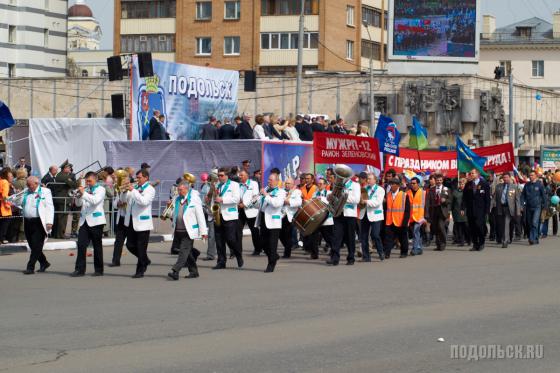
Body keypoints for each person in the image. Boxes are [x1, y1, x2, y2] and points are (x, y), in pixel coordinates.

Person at [13, 177, 54, 274]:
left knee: (37, 245)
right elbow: (17, 203)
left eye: (29, 184)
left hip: (39, 222)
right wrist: (18, 195)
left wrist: (49, 222)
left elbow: (49, 207)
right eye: (27, 184)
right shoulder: (26, 191)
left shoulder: (45, 191)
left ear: (36, 183)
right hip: (28, 221)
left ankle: (30, 267)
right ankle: (44, 262)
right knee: (32, 245)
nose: (28, 186)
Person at [167, 182, 208, 280]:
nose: (179, 191)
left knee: (183, 251)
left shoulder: (194, 200)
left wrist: (203, 232)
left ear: (186, 189)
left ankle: (175, 271)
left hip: (189, 231)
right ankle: (194, 271)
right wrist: (168, 207)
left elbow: (200, 216)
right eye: (178, 190)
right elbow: (171, 214)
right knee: (187, 252)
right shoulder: (176, 199)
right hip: (178, 230)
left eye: (181, 190)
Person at [70, 172, 106, 277]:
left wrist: (83, 194)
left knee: (97, 246)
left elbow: (95, 201)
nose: (87, 183)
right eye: (86, 181)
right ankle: (79, 270)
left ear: (96, 180)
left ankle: (99, 270)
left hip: (96, 221)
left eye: (89, 181)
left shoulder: (101, 189)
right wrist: (78, 196)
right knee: (81, 244)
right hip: (84, 221)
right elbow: (78, 204)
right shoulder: (85, 190)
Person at [121, 169, 156, 278]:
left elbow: (143, 202)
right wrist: (124, 191)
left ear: (146, 178)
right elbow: (124, 201)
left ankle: (140, 271)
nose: (137, 180)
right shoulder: (135, 188)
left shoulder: (150, 189)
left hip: (143, 222)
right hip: (131, 220)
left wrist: (133, 190)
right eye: (136, 177)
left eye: (139, 177)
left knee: (141, 247)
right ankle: (145, 259)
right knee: (130, 245)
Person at [327, 169, 361, 266]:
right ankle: (334, 258)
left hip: (350, 214)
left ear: (348, 176)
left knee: (350, 237)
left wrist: (342, 197)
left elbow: (356, 200)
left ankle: (351, 258)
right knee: (336, 236)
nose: (340, 177)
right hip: (338, 213)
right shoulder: (337, 185)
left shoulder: (355, 185)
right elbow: (334, 198)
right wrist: (331, 197)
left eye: (343, 175)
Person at [212, 167, 243, 270]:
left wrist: (222, 199)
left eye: (221, 175)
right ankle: (221, 261)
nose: (219, 177)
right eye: (218, 176)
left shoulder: (234, 185)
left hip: (230, 216)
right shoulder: (217, 185)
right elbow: (214, 199)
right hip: (218, 214)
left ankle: (238, 254)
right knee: (219, 240)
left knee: (230, 239)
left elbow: (236, 199)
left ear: (227, 176)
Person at [256, 173, 287, 273]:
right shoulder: (266, 190)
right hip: (263, 220)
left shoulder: (281, 192)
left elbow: (276, 204)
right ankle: (274, 256)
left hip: (274, 221)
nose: (268, 181)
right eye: (268, 180)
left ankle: (271, 264)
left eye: (271, 180)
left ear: (277, 181)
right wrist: (256, 199)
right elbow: (260, 204)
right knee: (263, 243)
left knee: (272, 244)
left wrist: (266, 195)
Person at [462, 169, 491, 251]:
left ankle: (481, 243)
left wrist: (487, 210)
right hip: (470, 210)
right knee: (472, 227)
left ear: (477, 174)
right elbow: (464, 198)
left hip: (480, 210)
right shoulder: (468, 184)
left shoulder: (484, 184)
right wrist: (462, 208)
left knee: (479, 226)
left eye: (473, 173)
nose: (471, 174)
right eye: (470, 173)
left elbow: (487, 199)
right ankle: (475, 244)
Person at [359, 173, 385, 261]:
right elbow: (360, 200)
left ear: (375, 180)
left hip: (376, 215)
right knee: (363, 236)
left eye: (370, 179)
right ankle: (366, 256)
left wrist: (365, 201)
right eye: (367, 179)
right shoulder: (364, 189)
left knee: (375, 235)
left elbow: (377, 202)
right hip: (365, 214)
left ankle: (381, 252)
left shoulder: (380, 189)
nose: (368, 180)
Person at [384, 177, 411, 259]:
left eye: (393, 184)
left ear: (398, 185)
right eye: (390, 184)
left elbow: (407, 210)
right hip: (389, 221)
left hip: (401, 221)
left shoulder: (404, 195)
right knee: (388, 238)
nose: (391, 186)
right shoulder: (388, 195)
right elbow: (386, 208)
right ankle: (387, 253)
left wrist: (405, 222)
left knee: (403, 238)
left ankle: (404, 252)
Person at [494, 172, 521, 248]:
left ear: (510, 178)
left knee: (506, 223)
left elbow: (517, 200)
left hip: (509, 208)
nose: (505, 179)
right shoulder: (498, 186)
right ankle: (507, 238)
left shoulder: (514, 187)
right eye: (504, 177)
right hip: (500, 208)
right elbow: (495, 198)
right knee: (502, 225)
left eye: (507, 177)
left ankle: (505, 241)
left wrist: (518, 210)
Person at [425, 173, 450, 251]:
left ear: (442, 181)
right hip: (434, 210)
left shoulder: (446, 189)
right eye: (437, 180)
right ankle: (438, 244)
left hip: (442, 211)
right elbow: (427, 201)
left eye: (440, 180)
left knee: (441, 227)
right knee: (435, 228)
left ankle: (443, 243)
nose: (439, 181)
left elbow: (450, 200)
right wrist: (427, 212)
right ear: (435, 181)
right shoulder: (431, 190)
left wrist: (445, 200)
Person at [238, 170, 261, 256]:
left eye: (242, 175)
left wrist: (245, 204)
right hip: (240, 211)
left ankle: (258, 249)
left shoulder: (253, 184)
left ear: (247, 176)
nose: (240, 177)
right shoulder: (238, 185)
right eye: (239, 175)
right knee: (238, 231)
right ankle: (238, 250)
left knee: (254, 231)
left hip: (251, 210)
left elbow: (255, 197)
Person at [310, 178, 334, 260]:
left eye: (321, 184)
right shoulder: (315, 193)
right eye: (318, 184)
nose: (319, 185)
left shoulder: (329, 193)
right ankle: (314, 254)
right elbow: (312, 203)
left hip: (327, 218)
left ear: (325, 185)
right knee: (314, 237)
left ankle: (334, 251)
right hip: (317, 219)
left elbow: (331, 203)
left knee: (328, 237)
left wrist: (321, 199)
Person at [53, 162, 77, 239]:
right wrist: (79, 179)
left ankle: (56, 234)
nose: (70, 169)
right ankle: (61, 234)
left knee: (59, 217)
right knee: (63, 217)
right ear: (64, 168)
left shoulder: (61, 175)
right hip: (63, 199)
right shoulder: (63, 176)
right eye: (68, 168)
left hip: (61, 198)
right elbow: (73, 185)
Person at [521, 170, 546, 245]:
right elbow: (523, 196)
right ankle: (536, 237)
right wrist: (522, 204)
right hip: (528, 207)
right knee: (529, 223)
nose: (531, 176)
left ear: (536, 176)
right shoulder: (527, 185)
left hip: (537, 206)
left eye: (532, 175)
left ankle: (531, 238)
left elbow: (543, 196)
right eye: (530, 175)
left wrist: (545, 206)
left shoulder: (540, 185)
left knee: (534, 222)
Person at [109, 171, 128, 267]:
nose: (122, 182)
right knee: (118, 241)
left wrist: (125, 202)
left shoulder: (132, 189)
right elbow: (114, 204)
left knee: (132, 243)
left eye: (124, 180)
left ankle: (144, 259)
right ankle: (115, 260)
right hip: (121, 218)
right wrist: (118, 204)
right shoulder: (119, 190)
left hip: (131, 219)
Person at [280, 177, 302, 258]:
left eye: (289, 183)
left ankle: (287, 253)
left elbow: (299, 202)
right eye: (286, 183)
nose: (287, 185)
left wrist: (289, 202)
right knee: (280, 234)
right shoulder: (281, 191)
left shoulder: (297, 192)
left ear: (293, 184)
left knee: (288, 235)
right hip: (280, 215)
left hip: (290, 215)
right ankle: (287, 247)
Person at [406, 177, 426, 256]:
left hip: (420, 216)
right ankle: (419, 248)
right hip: (411, 217)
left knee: (415, 232)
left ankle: (414, 249)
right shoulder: (408, 193)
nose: (412, 185)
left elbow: (426, 205)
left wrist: (426, 217)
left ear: (418, 184)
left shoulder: (423, 193)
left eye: (414, 183)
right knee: (417, 233)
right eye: (411, 183)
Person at [200, 173, 217, 261]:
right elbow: (203, 202)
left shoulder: (220, 186)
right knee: (211, 235)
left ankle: (233, 252)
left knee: (225, 236)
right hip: (211, 213)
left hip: (222, 214)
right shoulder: (206, 187)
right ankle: (211, 254)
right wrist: (209, 211)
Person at [449, 178, 469, 247]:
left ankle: (468, 239)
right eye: (460, 183)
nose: (461, 185)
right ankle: (460, 240)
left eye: (463, 184)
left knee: (466, 226)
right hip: (457, 212)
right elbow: (452, 202)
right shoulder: (455, 192)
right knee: (459, 227)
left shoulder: (468, 191)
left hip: (466, 212)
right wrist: (450, 210)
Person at [0, 168, 14, 243]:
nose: (11, 177)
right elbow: (5, 195)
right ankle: (2, 239)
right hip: (5, 207)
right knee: (5, 224)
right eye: (10, 175)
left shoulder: (1, 181)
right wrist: (8, 203)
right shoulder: (5, 182)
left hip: (1, 206)